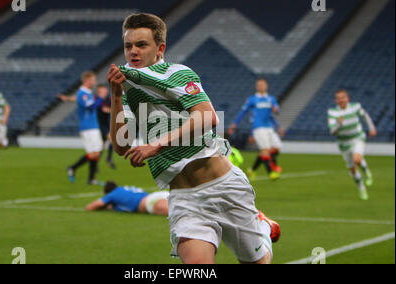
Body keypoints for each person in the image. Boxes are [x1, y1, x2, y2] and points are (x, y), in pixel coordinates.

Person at [107, 13, 280, 264]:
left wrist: (156, 144)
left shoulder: (177, 73)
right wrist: (115, 95)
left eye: (141, 45)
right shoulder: (126, 90)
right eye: (128, 46)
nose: (133, 51)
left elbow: (208, 117)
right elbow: (121, 146)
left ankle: (263, 228)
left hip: (224, 187)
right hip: (184, 199)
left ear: (160, 48)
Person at [328, 89, 377, 200]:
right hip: (344, 143)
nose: (341, 100)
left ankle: (366, 171)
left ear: (347, 98)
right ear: (336, 100)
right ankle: (361, 187)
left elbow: (365, 116)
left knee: (357, 159)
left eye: (343, 97)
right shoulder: (333, 112)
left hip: (357, 138)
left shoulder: (355, 106)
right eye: (339, 98)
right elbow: (332, 131)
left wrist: (372, 128)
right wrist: (338, 124)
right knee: (352, 169)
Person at [228, 78, 281, 181]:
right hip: (258, 127)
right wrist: (235, 123)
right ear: (257, 87)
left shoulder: (271, 99)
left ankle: (252, 169)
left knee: (276, 148)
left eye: (263, 84)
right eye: (259, 85)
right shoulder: (252, 99)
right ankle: (271, 172)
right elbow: (243, 112)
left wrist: (277, 118)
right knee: (265, 150)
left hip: (269, 127)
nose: (261, 86)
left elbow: (276, 111)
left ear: (266, 86)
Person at [59, 84, 116, 169]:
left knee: (109, 142)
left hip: (104, 125)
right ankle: (98, 163)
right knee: (100, 148)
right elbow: (78, 99)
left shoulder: (109, 100)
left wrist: (109, 110)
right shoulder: (95, 98)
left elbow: (116, 108)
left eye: (105, 90)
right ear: (99, 91)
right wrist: (67, 98)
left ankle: (107, 159)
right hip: (96, 125)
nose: (104, 92)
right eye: (102, 90)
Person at [64, 71, 103, 185]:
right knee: (92, 154)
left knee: (96, 153)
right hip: (88, 127)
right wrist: (100, 98)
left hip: (93, 126)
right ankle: (73, 168)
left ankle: (91, 179)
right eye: (93, 80)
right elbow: (91, 106)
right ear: (86, 80)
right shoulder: (82, 93)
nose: (94, 82)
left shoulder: (87, 93)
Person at [85, 181, 169, 216]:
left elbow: (92, 206)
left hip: (151, 203)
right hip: (156, 196)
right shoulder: (124, 189)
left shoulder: (112, 194)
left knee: (177, 215)